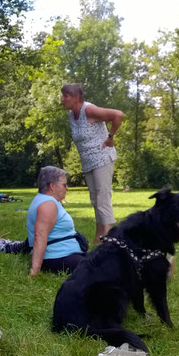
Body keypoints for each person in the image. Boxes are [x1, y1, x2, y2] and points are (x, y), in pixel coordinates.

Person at [61, 83, 124, 244]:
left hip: (102, 157)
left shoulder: (89, 110)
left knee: (102, 198)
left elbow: (118, 115)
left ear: (76, 98)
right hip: (88, 161)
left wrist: (110, 137)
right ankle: (99, 236)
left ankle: (110, 241)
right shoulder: (71, 115)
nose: (62, 99)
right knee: (95, 199)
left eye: (65, 96)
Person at [27, 166, 87, 277]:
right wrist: (34, 270)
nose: (67, 188)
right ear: (52, 186)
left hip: (63, 254)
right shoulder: (48, 205)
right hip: (57, 257)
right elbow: (39, 236)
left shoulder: (46, 200)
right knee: (100, 268)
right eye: (64, 185)